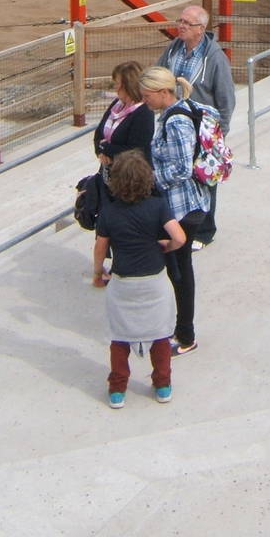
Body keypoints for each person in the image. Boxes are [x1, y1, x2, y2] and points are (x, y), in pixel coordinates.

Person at [92, 149, 186, 408]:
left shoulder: (109, 212)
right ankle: (163, 385)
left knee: (120, 337)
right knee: (160, 335)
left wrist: (98, 272)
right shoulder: (157, 206)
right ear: (147, 178)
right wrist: (165, 246)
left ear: (116, 181)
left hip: (123, 283)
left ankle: (117, 389)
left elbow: (101, 247)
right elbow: (179, 237)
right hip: (154, 281)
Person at [137, 66, 212, 355]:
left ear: (163, 92)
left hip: (183, 207)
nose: (145, 102)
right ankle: (181, 330)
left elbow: (181, 169)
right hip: (184, 204)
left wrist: (149, 179)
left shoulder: (175, 122)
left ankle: (185, 334)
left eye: (147, 96)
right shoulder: (176, 112)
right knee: (178, 270)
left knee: (179, 272)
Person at [157, 3, 235, 249]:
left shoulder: (215, 58)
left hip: (202, 132)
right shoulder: (173, 50)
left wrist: (216, 135)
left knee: (204, 179)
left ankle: (204, 232)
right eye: (180, 21)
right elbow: (158, 74)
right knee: (179, 176)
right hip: (174, 127)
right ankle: (180, 225)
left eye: (187, 23)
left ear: (200, 29)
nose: (180, 26)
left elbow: (226, 100)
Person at [93, 61, 154, 171]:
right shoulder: (116, 104)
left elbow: (136, 150)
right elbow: (99, 133)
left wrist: (106, 149)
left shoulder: (144, 112)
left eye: (117, 83)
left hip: (131, 176)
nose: (115, 87)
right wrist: (101, 152)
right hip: (108, 172)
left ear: (127, 85)